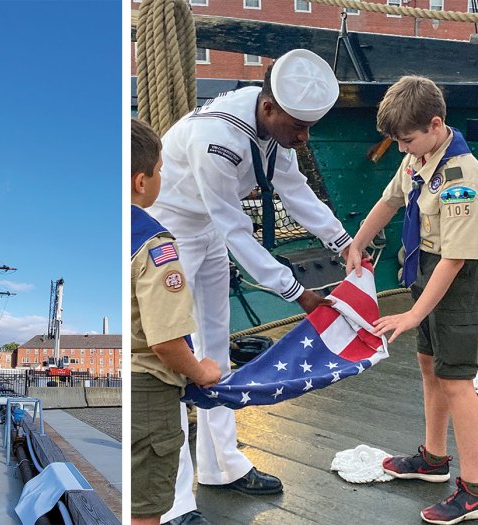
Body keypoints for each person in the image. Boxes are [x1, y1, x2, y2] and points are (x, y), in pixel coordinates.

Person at [147, 49, 353, 525]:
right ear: (270, 108)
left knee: (216, 351)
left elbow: (295, 189)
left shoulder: (270, 129)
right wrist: (296, 292)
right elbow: (238, 228)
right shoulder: (216, 139)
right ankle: (173, 501)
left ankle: (221, 465)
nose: (303, 138)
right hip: (169, 239)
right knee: (181, 361)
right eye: (298, 127)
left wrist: (345, 243)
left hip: (207, 234)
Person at [346, 76, 478, 525]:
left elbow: (457, 260)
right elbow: (389, 202)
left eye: (407, 140)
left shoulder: (461, 176)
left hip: (457, 282)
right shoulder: (418, 159)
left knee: (457, 379)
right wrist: (358, 243)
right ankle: (434, 459)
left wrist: (412, 313)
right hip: (424, 271)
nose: (402, 149)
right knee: (429, 363)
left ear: (436, 124)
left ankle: (475, 488)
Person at [131, 117, 222, 525]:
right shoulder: (155, 244)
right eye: (160, 170)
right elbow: (166, 341)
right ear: (141, 181)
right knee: (145, 510)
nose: (162, 178)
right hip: (149, 393)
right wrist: (201, 370)